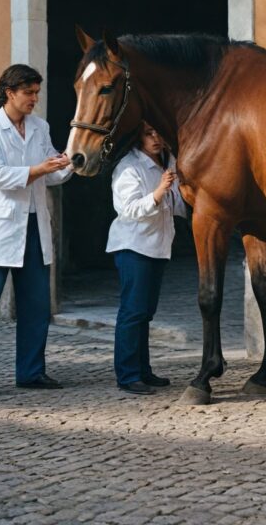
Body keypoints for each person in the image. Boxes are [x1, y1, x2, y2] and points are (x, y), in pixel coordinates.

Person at [0, 64, 72, 401]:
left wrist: (70, 164)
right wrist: (40, 169)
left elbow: (50, 176)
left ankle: (31, 372)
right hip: (1, 230)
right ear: (9, 92)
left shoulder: (40, 126)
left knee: (36, 305)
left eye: (37, 92)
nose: (35, 98)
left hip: (35, 226)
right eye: (29, 92)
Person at [107, 122, 187, 395]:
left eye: (158, 133)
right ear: (137, 137)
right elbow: (127, 209)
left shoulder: (168, 162)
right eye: (148, 134)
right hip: (133, 247)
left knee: (145, 312)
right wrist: (159, 192)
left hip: (158, 246)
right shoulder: (129, 167)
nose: (155, 139)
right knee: (132, 311)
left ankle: (143, 370)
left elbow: (176, 206)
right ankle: (128, 375)